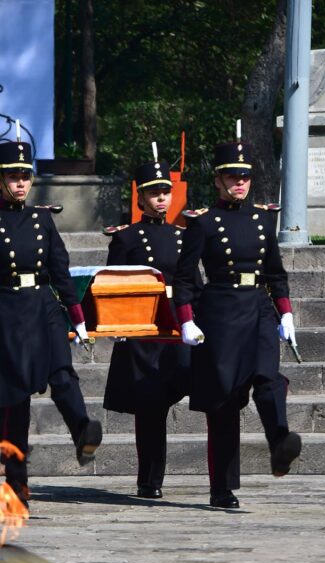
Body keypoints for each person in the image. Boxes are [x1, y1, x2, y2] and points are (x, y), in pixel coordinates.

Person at [0, 138, 102, 505]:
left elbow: (60, 271)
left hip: (43, 308)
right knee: (12, 403)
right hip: (6, 313)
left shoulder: (42, 219)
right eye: (13, 177)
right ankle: (17, 485)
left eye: (25, 176)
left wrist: (79, 318)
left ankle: (83, 431)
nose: (21, 183)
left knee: (62, 373)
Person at [173, 139, 302, 509]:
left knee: (269, 377)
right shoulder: (204, 223)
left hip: (259, 308)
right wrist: (186, 321)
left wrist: (286, 312)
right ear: (218, 180)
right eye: (232, 177)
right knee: (224, 403)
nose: (240, 183)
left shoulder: (263, 219)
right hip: (221, 312)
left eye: (245, 177)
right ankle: (222, 487)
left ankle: (279, 440)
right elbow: (184, 278)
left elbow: (276, 274)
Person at [103, 150, 203, 498]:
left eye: (166, 191)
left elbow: (196, 285)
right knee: (150, 408)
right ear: (141, 197)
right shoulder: (127, 238)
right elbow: (112, 285)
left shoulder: (184, 236)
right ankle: (150, 480)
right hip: (144, 328)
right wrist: (116, 326)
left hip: (178, 327)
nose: (161, 198)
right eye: (153, 193)